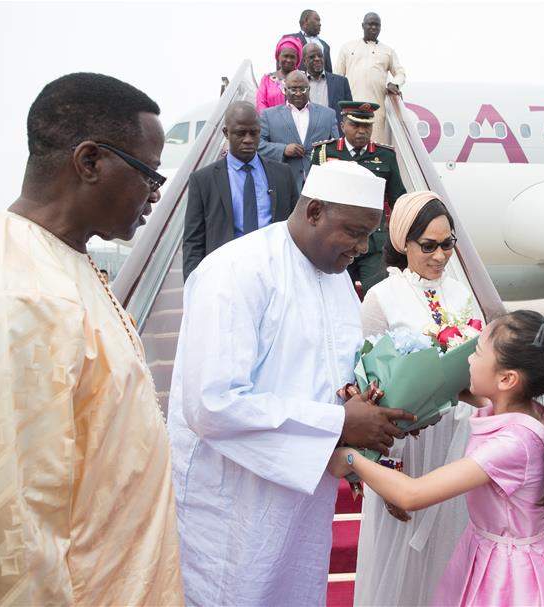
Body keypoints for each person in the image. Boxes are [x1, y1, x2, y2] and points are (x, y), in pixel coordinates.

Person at [0, 72, 183, 605]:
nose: (156, 194)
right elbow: (13, 536)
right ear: (90, 162)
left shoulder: (60, 262)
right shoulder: (14, 295)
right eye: (150, 173)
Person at [168, 161, 417, 606]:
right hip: (233, 500)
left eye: (369, 235)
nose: (362, 248)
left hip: (302, 491)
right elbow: (212, 404)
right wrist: (338, 422)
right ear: (315, 211)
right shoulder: (236, 271)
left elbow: (332, 379)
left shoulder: (338, 281)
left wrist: (374, 407)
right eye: (354, 232)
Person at [329, 311, 544, 606]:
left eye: (476, 352)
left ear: (507, 378)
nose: (469, 360)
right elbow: (479, 398)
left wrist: (350, 459)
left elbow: (413, 494)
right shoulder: (525, 410)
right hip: (507, 551)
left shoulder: (513, 444)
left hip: (511, 576)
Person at [353, 191, 481, 606]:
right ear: (402, 243)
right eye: (428, 245)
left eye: (448, 244)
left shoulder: (462, 294)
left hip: (457, 445)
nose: (440, 256)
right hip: (404, 446)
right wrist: (386, 471)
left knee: (450, 556)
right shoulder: (381, 297)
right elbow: (370, 384)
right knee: (400, 566)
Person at [182, 101, 298, 281]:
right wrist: (192, 286)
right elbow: (193, 241)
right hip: (226, 276)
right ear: (226, 133)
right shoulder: (203, 180)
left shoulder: (282, 174)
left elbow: (296, 228)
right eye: (240, 133)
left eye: (254, 133)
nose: (248, 140)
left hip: (276, 274)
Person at [311, 101, 406, 293]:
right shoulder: (324, 153)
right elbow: (312, 197)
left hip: (373, 244)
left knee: (378, 296)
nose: (362, 131)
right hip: (335, 241)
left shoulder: (385, 156)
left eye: (367, 126)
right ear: (343, 126)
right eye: (356, 125)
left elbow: (398, 199)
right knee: (334, 297)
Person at [258, 70, 338, 194]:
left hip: (320, 186)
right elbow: (258, 145)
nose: (299, 93)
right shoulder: (268, 115)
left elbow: (337, 147)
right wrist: (283, 150)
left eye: (303, 89)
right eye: (293, 89)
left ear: (309, 89)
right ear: (285, 90)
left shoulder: (328, 114)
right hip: (283, 186)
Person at [335, 12, 406, 145]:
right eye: (370, 24)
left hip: (376, 111)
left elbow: (400, 73)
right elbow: (337, 77)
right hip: (351, 108)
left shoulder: (388, 51)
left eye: (377, 25)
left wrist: (394, 84)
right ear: (363, 25)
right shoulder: (348, 47)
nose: (373, 28)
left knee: (375, 149)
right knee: (350, 148)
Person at [303, 42, 353, 134]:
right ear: (304, 61)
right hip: (307, 136)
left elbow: (349, 113)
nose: (317, 59)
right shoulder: (298, 84)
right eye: (312, 57)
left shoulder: (341, 82)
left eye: (320, 56)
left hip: (335, 137)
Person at [256, 35, 303, 112]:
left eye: (292, 57)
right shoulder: (267, 79)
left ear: (297, 59)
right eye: (285, 56)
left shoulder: (302, 78)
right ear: (278, 57)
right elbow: (261, 103)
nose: (288, 60)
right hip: (270, 122)